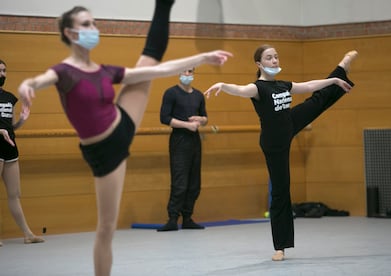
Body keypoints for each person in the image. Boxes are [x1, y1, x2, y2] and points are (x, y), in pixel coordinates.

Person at [17, 2, 232, 275]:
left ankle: (163, 4)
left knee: (150, 61)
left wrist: (200, 58)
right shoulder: (63, 72)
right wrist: (27, 85)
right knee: (106, 228)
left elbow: (159, 72)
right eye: (85, 25)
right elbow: (38, 80)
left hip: (123, 124)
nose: (93, 29)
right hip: (104, 152)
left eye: (93, 23)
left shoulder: (105, 71)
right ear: (70, 33)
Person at [204, 44, 358, 262]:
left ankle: (341, 68)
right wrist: (222, 84)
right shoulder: (258, 88)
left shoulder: (283, 85)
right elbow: (240, 89)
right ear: (259, 64)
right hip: (274, 141)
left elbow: (309, 85)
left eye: (276, 57)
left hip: (290, 123)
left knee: (317, 101)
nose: (275, 60)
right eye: (269, 58)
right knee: (281, 191)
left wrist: (333, 80)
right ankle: (280, 247)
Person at [0, 59, 45, 247]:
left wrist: (21, 121)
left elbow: (10, 127)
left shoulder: (10, 98)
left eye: (4, 70)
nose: (2, 74)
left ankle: (27, 234)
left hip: (10, 147)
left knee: (14, 193)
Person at [158, 68, 207, 231]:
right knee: (180, 181)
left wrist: (200, 120)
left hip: (195, 140)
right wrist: (186, 125)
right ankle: (172, 218)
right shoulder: (171, 93)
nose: (187, 74)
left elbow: (205, 117)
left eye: (190, 71)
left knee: (194, 182)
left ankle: (187, 217)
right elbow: (164, 118)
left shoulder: (198, 95)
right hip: (179, 140)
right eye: (184, 72)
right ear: (179, 74)